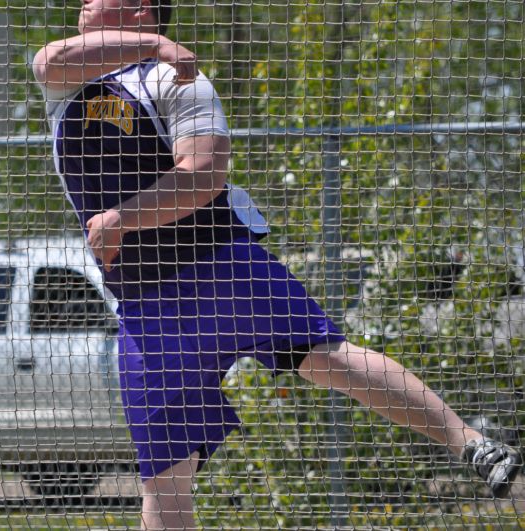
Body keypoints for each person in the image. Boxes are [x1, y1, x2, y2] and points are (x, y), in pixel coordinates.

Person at [32, 0, 523, 528]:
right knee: (164, 481)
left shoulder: (179, 81)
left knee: (331, 358)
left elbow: (202, 177)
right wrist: (154, 43)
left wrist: (122, 218)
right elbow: (49, 59)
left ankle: (472, 444)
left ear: (140, 8)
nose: (83, 3)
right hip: (149, 307)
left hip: (223, 266)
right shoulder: (68, 85)